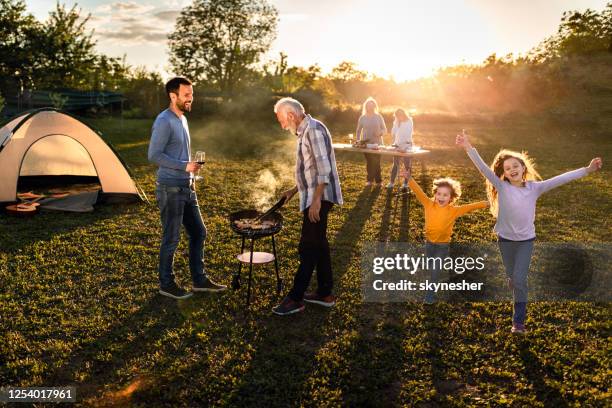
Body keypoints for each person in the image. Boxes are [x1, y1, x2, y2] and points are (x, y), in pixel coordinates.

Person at [456, 132, 602, 333]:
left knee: (519, 281)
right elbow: (482, 167)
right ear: (504, 174)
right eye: (507, 168)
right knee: (512, 275)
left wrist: (587, 169)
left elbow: (561, 179)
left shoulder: (535, 188)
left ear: (523, 168)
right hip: (505, 240)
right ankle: (512, 279)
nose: (512, 170)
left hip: (526, 241)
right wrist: (468, 147)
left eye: (516, 166)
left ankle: (518, 322)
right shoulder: (501, 185)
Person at [148, 76, 226, 299]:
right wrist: (185, 166)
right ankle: (166, 283)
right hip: (170, 188)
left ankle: (199, 280)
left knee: (199, 232)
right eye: (186, 95)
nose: (191, 98)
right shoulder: (164, 121)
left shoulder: (182, 118)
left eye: (192, 94)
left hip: (186, 186)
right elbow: (153, 155)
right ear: (173, 96)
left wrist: (190, 171)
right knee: (171, 238)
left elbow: (176, 153)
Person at [271, 97, 343, 315]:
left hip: (319, 198)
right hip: (313, 195)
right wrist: (293, 191)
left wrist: (316, 201)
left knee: (308, 247)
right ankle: (324, 293)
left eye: (282, 120)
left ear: (291, 115)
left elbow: (324, 170)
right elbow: (310, 170)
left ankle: (296, 298)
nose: (282, 125)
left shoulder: (313, 130)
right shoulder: (305, 131)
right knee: (319, 245)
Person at [402, 172, 488, 303]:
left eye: (445, 195)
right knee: (431, 266)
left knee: (435, 270)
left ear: (451, 198)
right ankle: (433, 277)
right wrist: (409, 179)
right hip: (429, 243)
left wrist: (486, 203)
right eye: (439, 193)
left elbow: (470, 207)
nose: (441, 197)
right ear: (435, 194)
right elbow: (419, 192)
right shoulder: (428, 204)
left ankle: (430, 293)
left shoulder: (454, 210)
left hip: (443, 246)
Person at [356, 97, 386, 186]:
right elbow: (358, 130)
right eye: (368, 106)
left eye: (372, 106)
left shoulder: (378, 116)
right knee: (369, 162)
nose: (370, 107)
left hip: (377, 144)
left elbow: (385, 129)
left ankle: (378, 181)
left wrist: (380, 133)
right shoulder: (362, 117)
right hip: (366, 144)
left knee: (376, 162)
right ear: (366, 107)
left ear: (374, 107)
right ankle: (369, 180)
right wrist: (358, 141)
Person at [388, 108, 414, 190]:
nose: (399, 117)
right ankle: (391, 182)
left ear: (404, 114)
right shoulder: (396, 122)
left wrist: (404, 146)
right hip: (397, 145)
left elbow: (408, 134)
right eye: (397, 116)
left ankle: (406, 183)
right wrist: (396, 123)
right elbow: (393, 133)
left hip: (407, 146)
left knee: (407, 165)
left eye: (400, 115)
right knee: (395, 164)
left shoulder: (409, 121)